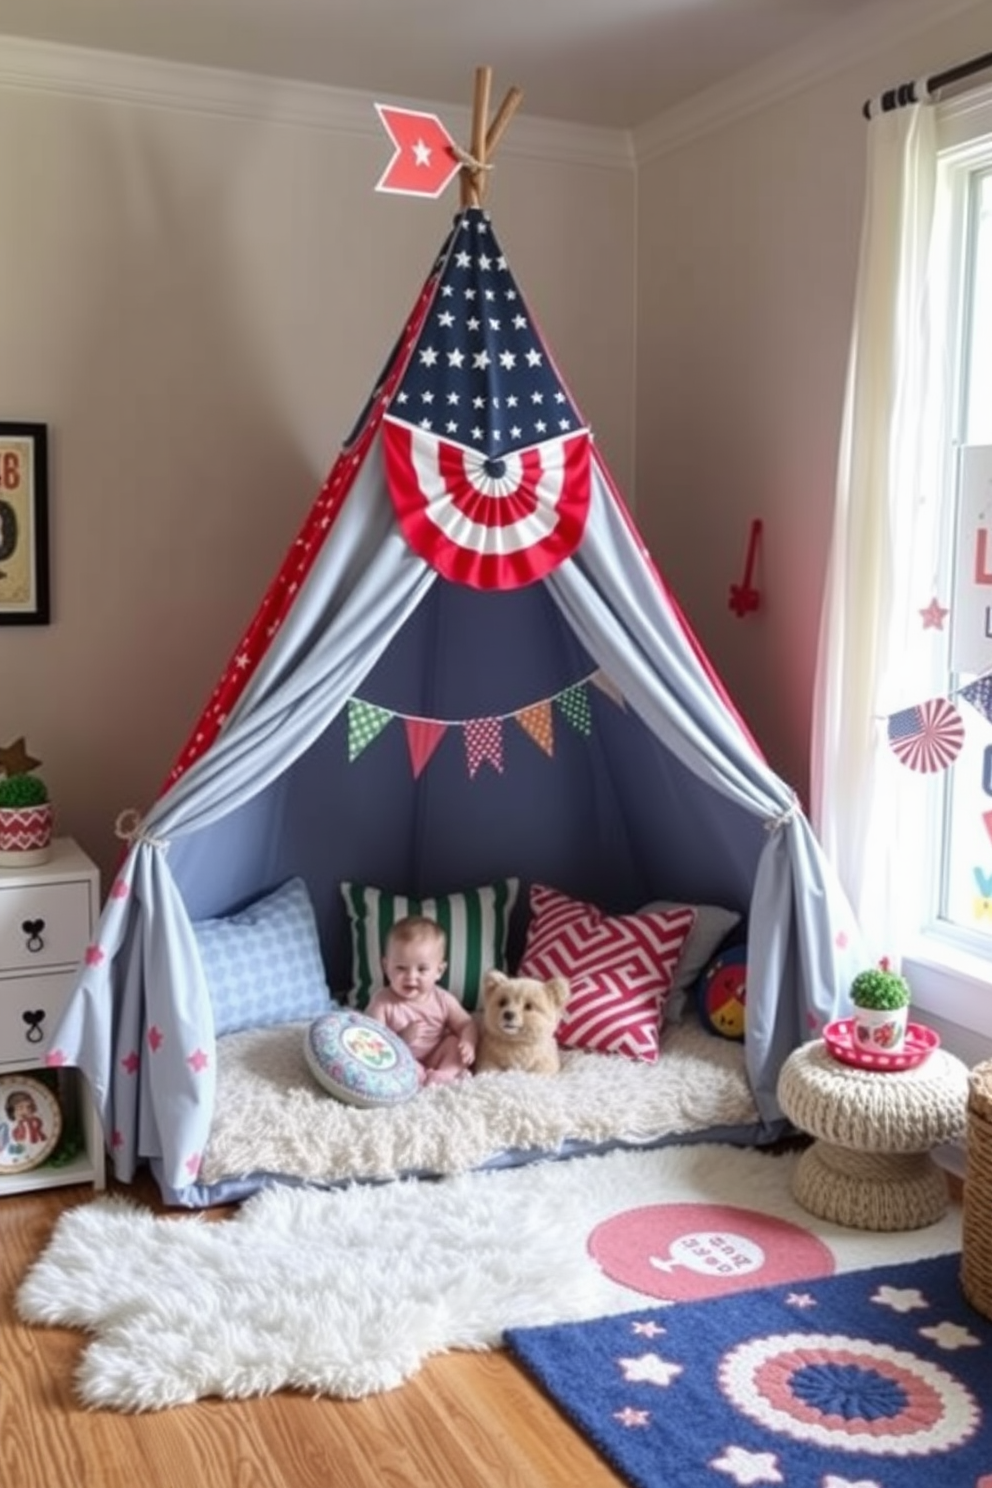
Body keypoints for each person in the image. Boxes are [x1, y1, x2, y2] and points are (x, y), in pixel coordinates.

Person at [366, 915, 477, 1085]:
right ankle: (420, 1079)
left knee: (454, 1044)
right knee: (396, 1065)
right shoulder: (382, 1002)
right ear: (386, 967)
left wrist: (468, 1041)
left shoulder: (443, 999)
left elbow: (466, 1024)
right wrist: (400, 1039)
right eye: (401, 968)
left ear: (439, 971)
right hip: (404, 1058)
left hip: (436, 1054)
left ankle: (444, 1074)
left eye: (422, 969)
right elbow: (372, 1040)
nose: (411, 977)